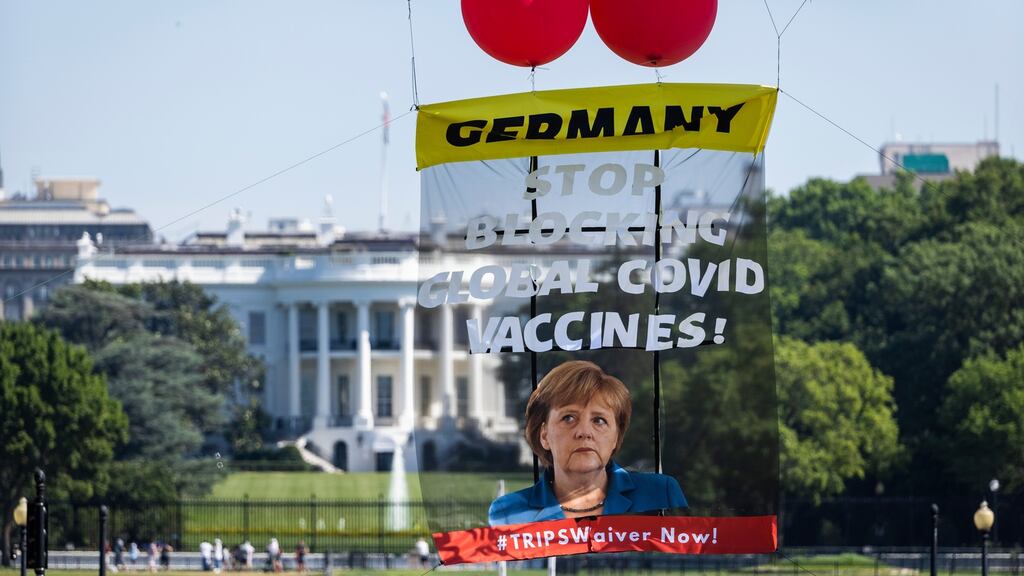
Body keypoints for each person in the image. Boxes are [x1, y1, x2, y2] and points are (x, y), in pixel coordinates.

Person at [488, 360, 687, 526]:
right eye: (568, 418)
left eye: (599, 420)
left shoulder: (661, 493)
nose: (584, 432)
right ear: (544, 435)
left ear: (616, 436)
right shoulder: (508, 512)